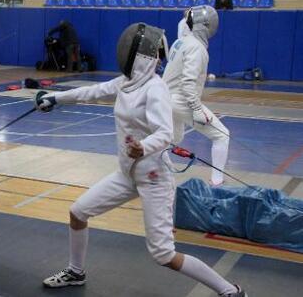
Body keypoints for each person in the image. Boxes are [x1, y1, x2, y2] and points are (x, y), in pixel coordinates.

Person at [35, 23, 247, 297]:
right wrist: (55, 98)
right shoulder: (126, 83)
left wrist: (143, 147)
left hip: (154, 178)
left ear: (138, 56)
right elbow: (91, 92)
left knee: (163, 254)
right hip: (126, 175)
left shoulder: (155, 88)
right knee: (78, 213)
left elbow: (165, 133)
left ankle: (229, 290)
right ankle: (76, 272)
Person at [162, 5, 230, 187]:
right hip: (180, 100)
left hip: (164, 99)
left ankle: (153, 174)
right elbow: (188, 83)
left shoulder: (181, 41)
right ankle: (217, 181)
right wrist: (197, 109)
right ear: (205, 26)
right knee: (222, 136)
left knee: (173, 139)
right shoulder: (197, 48)